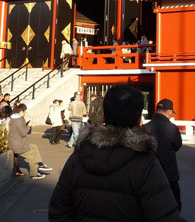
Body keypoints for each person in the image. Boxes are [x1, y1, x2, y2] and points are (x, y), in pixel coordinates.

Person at [49, 85, 185, 222]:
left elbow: (58, 212)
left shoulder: (78, 157)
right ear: (139, 121)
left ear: (103, 117)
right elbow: (166, 217)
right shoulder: (147, 164)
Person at [141, 99, 183, 211]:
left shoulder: (145, 127)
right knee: (174, 201)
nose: (171, 115)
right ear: (167, 111)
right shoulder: (172, 128)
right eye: (171, 112)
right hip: (169, 170)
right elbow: (177, 145)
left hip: (150, 171)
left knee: (151, 202)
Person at [8, 104, 52, 179]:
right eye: (25, 111)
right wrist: (29, 126)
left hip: (17, 143)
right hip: (18, 145)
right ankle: (34, 174)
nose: (25, 113)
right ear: (21, 111)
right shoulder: (19, 120)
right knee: (31, 157)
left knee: (34, 147)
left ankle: (40, 164)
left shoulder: (14, 119)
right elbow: (23, 133)